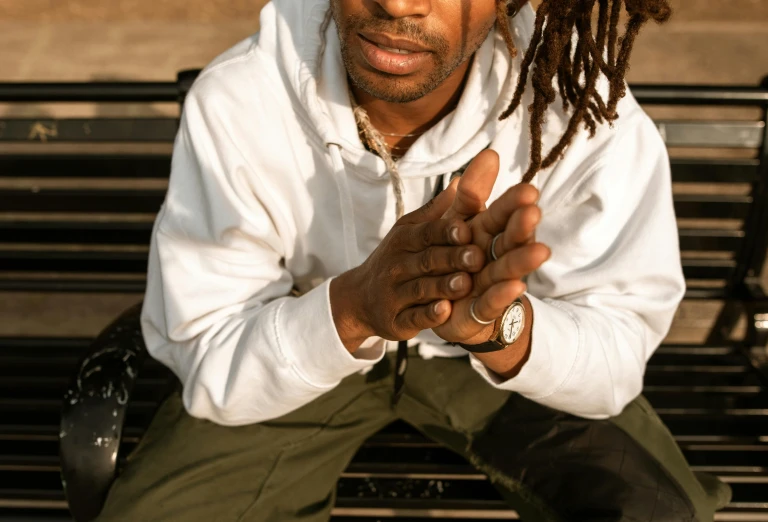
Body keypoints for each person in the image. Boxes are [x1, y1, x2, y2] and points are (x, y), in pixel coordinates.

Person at [97, 0, 731, 520]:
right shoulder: (241, 98)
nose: (399, 4)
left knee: (656, 512)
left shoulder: (579, 111)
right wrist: (354, 308)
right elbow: (207, 347)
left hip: (500, 372)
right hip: (299, 347)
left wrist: (501, 331)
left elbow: (618, 348)